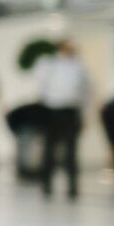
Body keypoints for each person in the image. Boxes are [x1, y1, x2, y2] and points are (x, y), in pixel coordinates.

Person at [36, 39, 90, 200]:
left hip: (70, 110)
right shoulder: (50, 64)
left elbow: (84, 92)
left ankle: (72, 186)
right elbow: (42, 87)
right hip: (53, 109)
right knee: (50, 148)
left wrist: (83, 113)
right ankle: (46, 184)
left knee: (71, 150)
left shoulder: (78, 67)